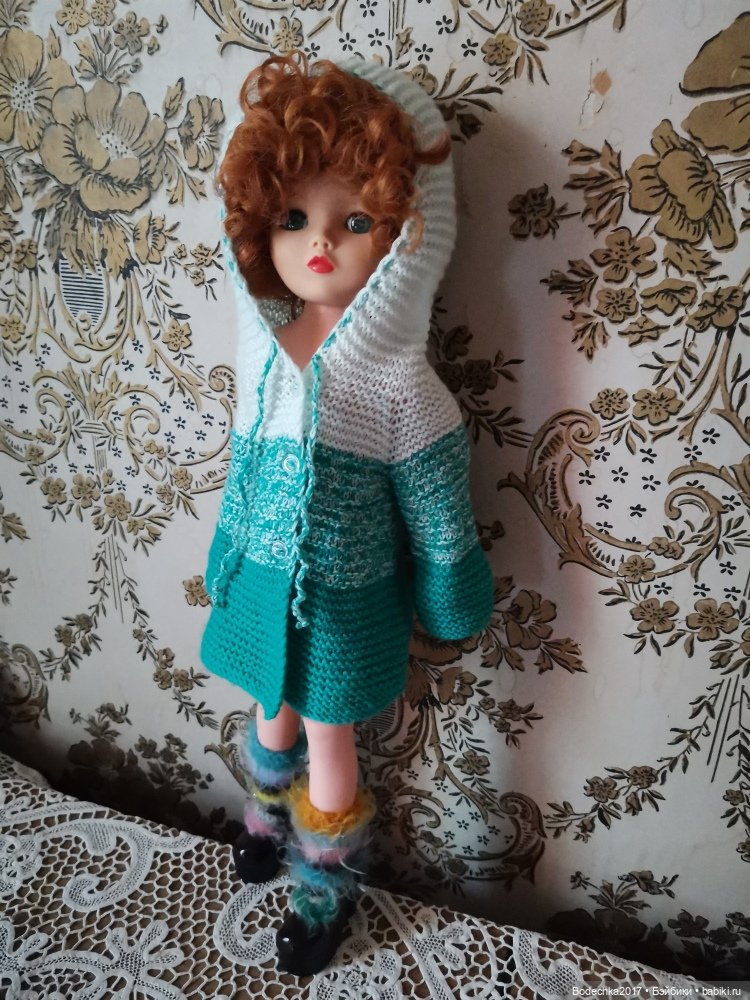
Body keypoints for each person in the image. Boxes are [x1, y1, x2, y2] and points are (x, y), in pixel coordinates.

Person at [200, 53, 493, 976]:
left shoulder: (399, 385)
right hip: (260, 588)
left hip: (341, 606)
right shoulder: (264, 353)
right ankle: (261, 821)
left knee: (329, 738)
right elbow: (244, 472)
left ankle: (322, 889)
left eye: (354, 221)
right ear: (257, 226)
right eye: (293, 218)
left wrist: (450, 589)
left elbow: (437, 502)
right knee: (268, 708)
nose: (319, 242)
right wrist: (224, 556)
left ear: (407, 238)